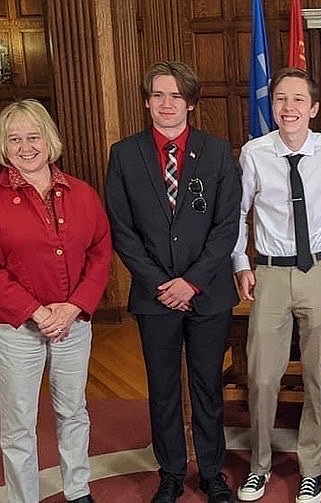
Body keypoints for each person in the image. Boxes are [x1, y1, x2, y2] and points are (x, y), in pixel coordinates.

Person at [105, 61, 242, 503]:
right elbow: (122, 230)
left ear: (191, 103)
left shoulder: (218, 151)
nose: (167, 104)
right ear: (147, 101)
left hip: (208, 293)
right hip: (154, 295)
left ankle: (212, 472)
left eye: (176, 96)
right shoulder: (124, 154)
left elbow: (226, 227)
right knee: (163, 390)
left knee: (206, 387)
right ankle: (170, 471)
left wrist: (192, 282)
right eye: (159, 95)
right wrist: (162, 283)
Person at [232, 67, 321, 503]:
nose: (289, 108)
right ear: (273, 105)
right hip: (268, 274)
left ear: (315, 108)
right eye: (281, 99)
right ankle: (259, 466)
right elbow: (239, 213)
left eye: (299, 100)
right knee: (262, 378)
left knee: (317, 378)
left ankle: (312, 469)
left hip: (319, 272)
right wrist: (240, 262)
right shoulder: (254, 152)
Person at [0, 99, 111, 503]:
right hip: (17, 328)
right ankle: (23, 497)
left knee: (73, 411)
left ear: (49, 140)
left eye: (33, 136)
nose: (25, 147)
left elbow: (101, 253)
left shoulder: (82, 194)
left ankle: (78, 490)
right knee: (17, 424)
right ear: (4, 145)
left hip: (73, 324)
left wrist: (74, 306)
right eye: (14, 139)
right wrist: (36, 311)